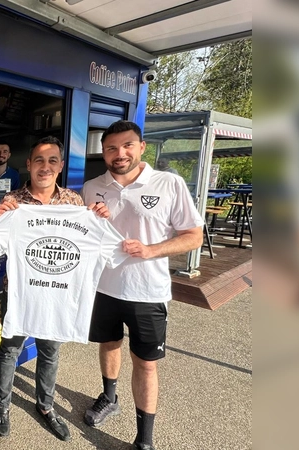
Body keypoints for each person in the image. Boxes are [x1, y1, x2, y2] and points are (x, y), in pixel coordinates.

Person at [81, 121, 204, 450]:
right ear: (103, 152)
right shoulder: (92, 187)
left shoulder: (169, 184)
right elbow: (84, 237)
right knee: (108, 345)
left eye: (127, 146)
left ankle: (144, 439)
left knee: (146, 364)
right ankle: (109, 398)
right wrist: (93, 220)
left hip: (148, 293)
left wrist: (152, 250)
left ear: (141, 147)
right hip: (103, 288)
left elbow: (193, 237)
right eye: (111, 148)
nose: (119, 154)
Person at [0, 136, 111, 441]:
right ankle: (2, 404)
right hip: (20, 291)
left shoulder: (74, 202)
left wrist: (99, 221)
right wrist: (0, 220)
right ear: (29, 165)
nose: (45, 167)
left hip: (57, 293)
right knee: (9, 351)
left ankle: (45, 406)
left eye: (52, 160)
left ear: (60, 166)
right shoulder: (13, 203)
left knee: (50, 351)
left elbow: (90, 244)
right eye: (39, 160)